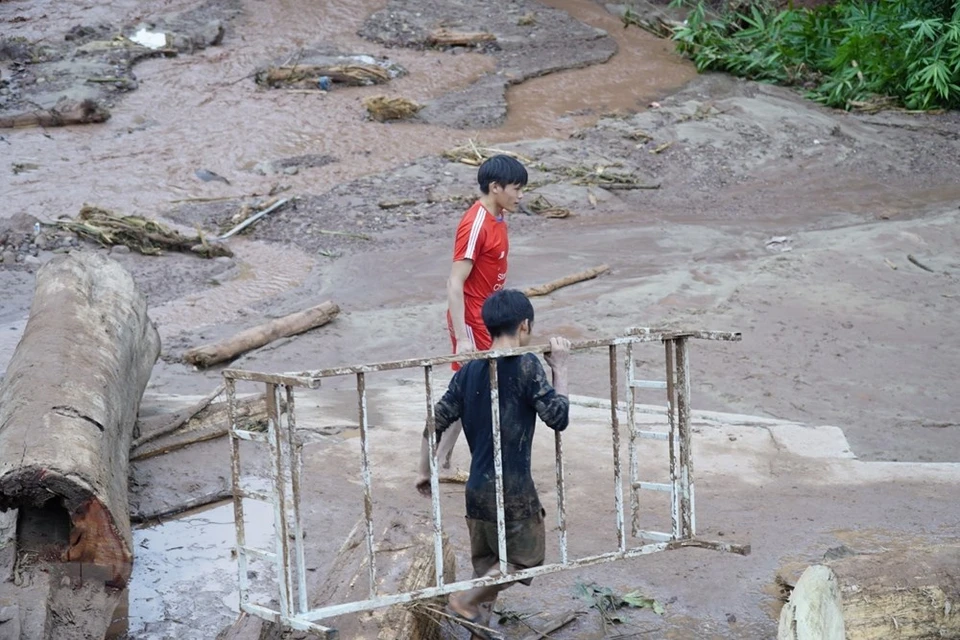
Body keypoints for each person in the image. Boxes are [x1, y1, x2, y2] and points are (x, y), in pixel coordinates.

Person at [420, 289, 571, 638]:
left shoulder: (470, 369)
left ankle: (477, 626)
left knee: (488, 569)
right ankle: (463, 600)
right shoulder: (527, 364)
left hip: (477, 492)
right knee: (523, 561)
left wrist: (424, 469)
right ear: (524, 325)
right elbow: (558, 417)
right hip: (514, 490)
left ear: (488, 326)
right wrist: (560, 368)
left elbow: (434, 422)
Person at [416, 154, 529, 495]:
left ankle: (438, 462)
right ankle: (428, 466)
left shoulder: (500, 215)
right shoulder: (475, 222)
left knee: (469, 393)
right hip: (473, 320)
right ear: (495, 188)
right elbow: (454, 282)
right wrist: (463, 337)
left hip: (492, 317)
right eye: (516, 189)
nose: (520, 195)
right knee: (467, 394)